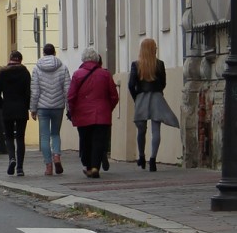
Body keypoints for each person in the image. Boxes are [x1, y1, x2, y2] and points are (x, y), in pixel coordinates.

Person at [67, 46, 119, 178]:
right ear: (96, 59)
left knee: (85, 140)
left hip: (82, 114)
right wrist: (108, 108)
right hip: (102, 113)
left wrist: (72, 112)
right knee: (99, 141)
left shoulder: (78, 74)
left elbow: (71, 96)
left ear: (83, 59)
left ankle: (88, 165)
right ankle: (95, 166)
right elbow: (114, 96)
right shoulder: (105, 74)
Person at [128, 37, 178, 171]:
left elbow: (131, 85)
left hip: (141, 98)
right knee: (156, 129)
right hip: (156, 97)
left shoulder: (136, 65)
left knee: (141, 130)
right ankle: (153, 159)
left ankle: (141, 156)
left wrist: (136, 98)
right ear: (152, 49)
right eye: (155, 46)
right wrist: (158, 91)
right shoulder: (160, 64)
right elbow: (163, 83)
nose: (156, 48)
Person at [29, 43, 71, 176]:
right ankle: (57, 156)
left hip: (43, 107)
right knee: (56, 134)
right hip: (58, 106)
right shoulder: (63, 68)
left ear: (43, 53)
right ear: (55, 53)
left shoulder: (37, 68)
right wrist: (69, 107)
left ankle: (48, 166)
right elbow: (67, 89)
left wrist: (33, 108)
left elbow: (35, 91)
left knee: (44, 137)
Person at [0, 50, 32, 176]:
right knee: (20, 138)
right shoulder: (25, 73)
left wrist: (2, 105)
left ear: (10, 59)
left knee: (9, 136)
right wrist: (27, 106)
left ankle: (11, 158)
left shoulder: (3, 74)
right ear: (21, 60)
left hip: (7, 108)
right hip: (21, 108)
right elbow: (28, 93)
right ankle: (20, 168)